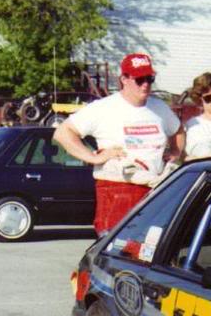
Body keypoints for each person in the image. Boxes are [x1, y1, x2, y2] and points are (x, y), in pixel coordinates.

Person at [54, 52, 184, 235]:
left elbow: (178, 130)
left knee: (152, 247)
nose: (146, 84)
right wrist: (93, 157)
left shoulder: (159, 107)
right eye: (139, 79)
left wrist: (176, 152)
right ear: (124, 79)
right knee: (118, 248)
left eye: (149, 78)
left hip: (155, 189)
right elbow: (63, 133)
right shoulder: (104, 108)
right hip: (118, 190)